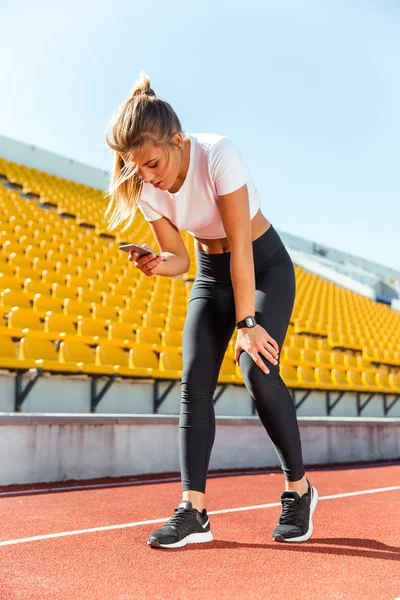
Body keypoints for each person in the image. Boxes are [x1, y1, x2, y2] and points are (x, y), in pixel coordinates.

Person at [105, 70, 319, 549]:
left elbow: (240, 245)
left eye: (152, 163)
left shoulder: (218, 153)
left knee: (257, 369)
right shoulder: (146, 187)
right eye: (134, 167)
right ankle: (194, 510)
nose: (145, 175)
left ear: (177, 141)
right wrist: (157, 264)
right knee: (194, 380)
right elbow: (180, 258)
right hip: (208, 272)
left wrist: (247, 324)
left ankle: (298, 491)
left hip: (262, 264)